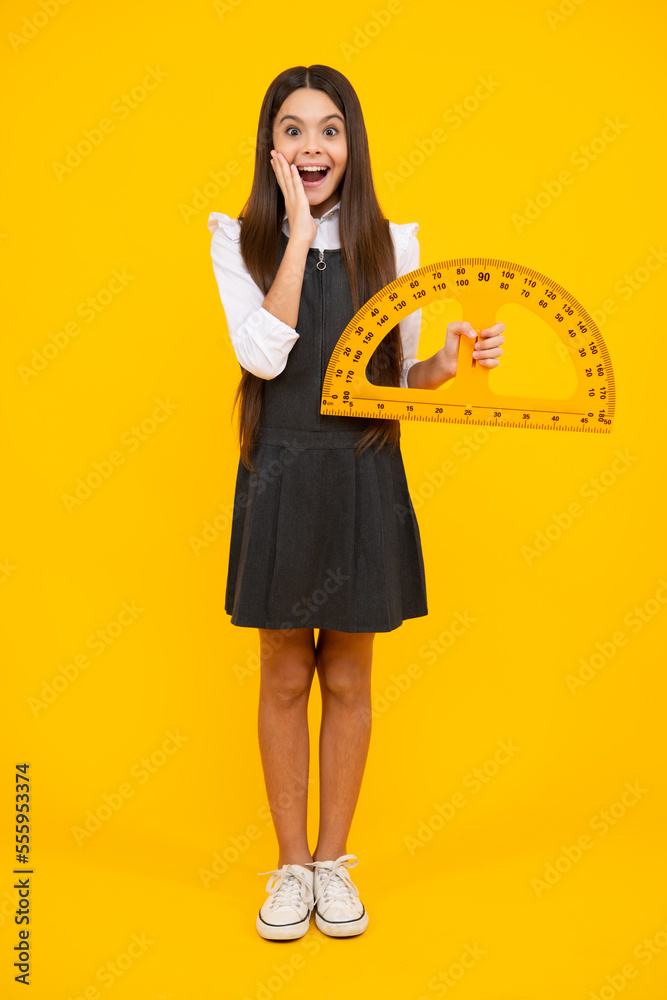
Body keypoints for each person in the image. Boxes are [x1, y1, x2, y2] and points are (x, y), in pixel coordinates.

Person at [206, 64, 505, 942]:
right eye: (293, 130)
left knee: (346, 675)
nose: (311, 146)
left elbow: (395, 381)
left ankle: (334, 866)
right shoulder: (238, 239)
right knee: (282, 671)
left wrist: (444, 366)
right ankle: (289, 869)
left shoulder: (393, 244)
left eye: (328, 130)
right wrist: (296, 234)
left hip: (364, 472)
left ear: (351, 143)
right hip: (282, 473)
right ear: (271, 147)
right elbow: (263, 357)